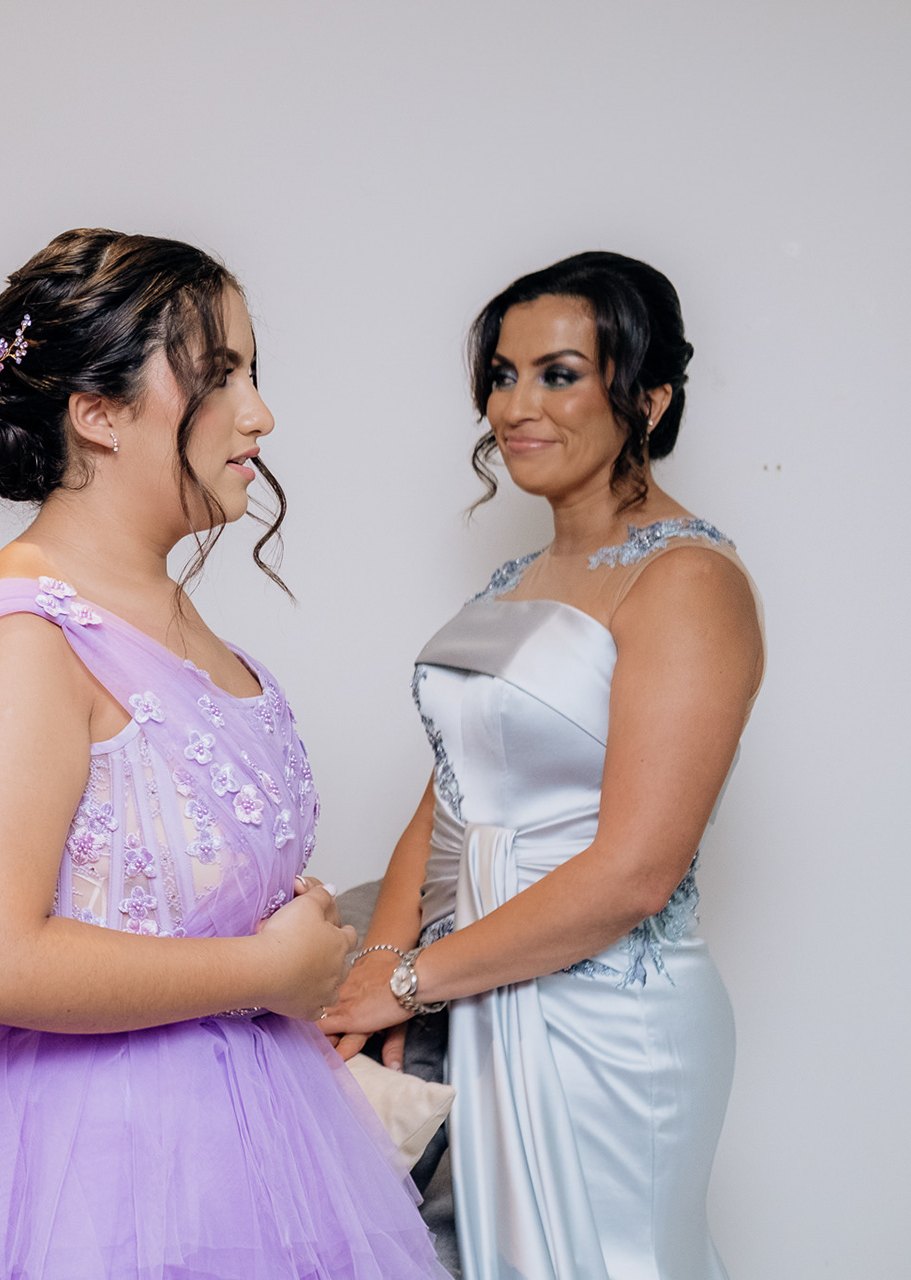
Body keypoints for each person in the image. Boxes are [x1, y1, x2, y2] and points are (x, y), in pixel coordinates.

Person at [0, 229, 447, 1278]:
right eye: (221, 375)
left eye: (255, 373)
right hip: (85, 1155)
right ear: (99, 413)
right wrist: (268, 967)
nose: (260, 414)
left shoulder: (176, 617)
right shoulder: (25, 639)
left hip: (250, 1125)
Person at [320, 251, 761, 1279]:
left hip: (606, 1023)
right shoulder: (512, 583)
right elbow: (445, 803)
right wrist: (373, 967)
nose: (516, 405)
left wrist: (411, 982)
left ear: (648, 396)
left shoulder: (688, 581)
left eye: (559, 374)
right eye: (503, 374)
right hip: (474, 993)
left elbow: (637, 871)